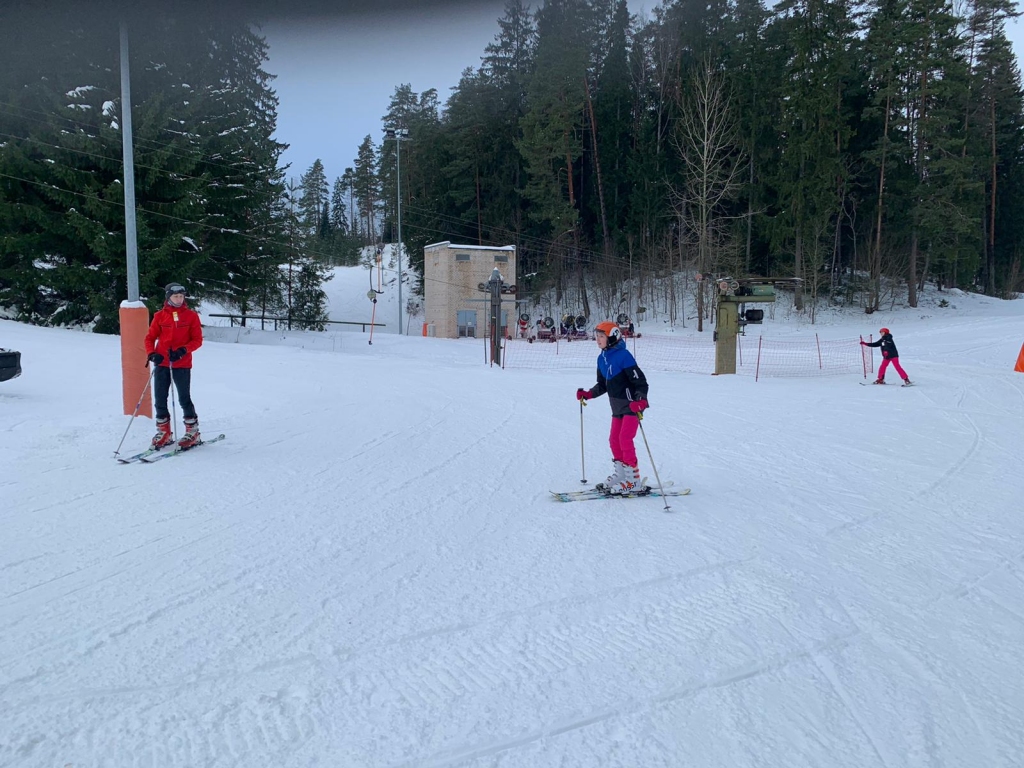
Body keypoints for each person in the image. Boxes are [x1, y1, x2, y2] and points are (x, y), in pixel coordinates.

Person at [576, 321, 649, 494]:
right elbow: (603, 385)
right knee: (614, 440)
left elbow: (640, 382)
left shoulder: (624, 356)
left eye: (601, 336)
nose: (598, 340)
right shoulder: (601, 358)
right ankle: (622, 475)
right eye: (597, 336)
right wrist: (588, 394)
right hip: (616, 407)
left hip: (632, 405)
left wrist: (641, 400)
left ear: (612, 337)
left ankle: (633, 481)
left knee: (625, 438)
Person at [144, 282, 204, 448]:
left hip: (182, 363)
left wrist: (183, 350)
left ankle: (193, 431)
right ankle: (164, 431)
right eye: (175, 296)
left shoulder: (191, 316)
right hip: (162, 362)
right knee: (160, 398)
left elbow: (197, 340)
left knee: (184, 397)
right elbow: (149, 338)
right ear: (168, 297)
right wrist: (151, 353)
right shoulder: (160, 315)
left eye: (181, 296)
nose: (179, 299)